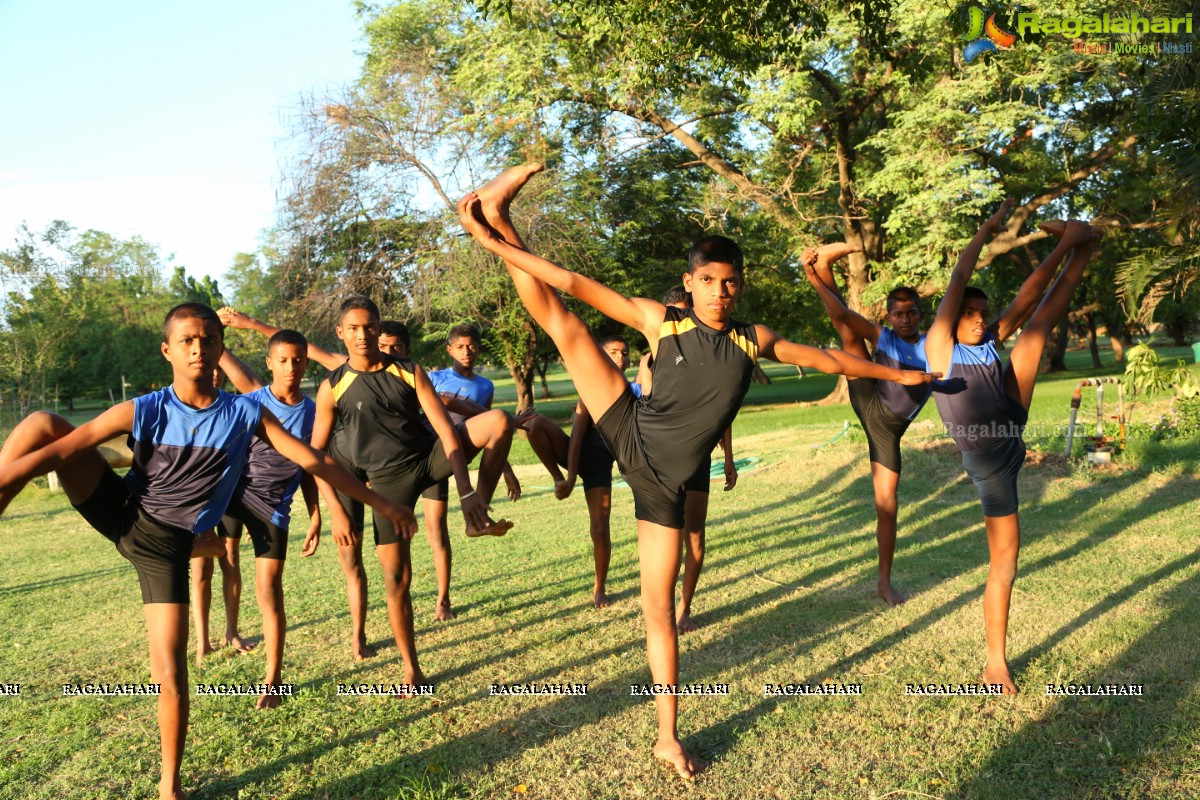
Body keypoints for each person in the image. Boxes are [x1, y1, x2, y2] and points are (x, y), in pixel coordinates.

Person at [457, 163, 936, 779]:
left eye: (729, 283)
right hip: (630, 424)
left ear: (740, 287)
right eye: (707, 280)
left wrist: (897, 374)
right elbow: (572, 282)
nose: (718, 292)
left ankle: (666, 736)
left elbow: (828, 358)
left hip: (666, 484)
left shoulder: (750, 339)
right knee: (565, 324)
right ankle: (498, 219)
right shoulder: (666, 321)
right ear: (690, 282)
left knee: (657, 612)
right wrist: (489, 243)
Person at [0, 302, 415, 800]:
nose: (198, 348)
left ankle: (169, 787)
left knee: (171, 672)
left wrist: (380, 504)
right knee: (41, 424)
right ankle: (207, 541)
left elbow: (314, 459)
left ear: (220, 349)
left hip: (165, 550)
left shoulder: (244, 412)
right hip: (122, 509)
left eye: (208, 340)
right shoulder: (144, 408)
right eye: (187, 341)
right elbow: (52, 455)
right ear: (167, 350)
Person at [218, 310, 518, 623]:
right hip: (368, 471)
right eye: (377, 342)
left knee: (435, 530)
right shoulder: (344, 374)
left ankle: (447, 588)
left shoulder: (408, 373)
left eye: (393, 347)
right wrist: (252, 325)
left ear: (403, 350)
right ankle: (361, 632)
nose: (382, 350)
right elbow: (301, 350)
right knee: (373, 561)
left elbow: (453, 407)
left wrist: (474, 481)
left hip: (424, 457)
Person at [925, 203, 1100, 694]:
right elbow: (960, 275)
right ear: (952, 318)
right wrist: (986, 229)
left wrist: (1063, 249)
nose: (979, 321)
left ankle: (1082, 248)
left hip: (1010, 423)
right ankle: (995, 662)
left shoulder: (988, 338)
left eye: (983, 313)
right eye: (969, 314)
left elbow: (1030, 296)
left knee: (1037, 326)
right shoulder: (941, 347)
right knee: (1005, 561)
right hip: (991, 461)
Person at [307, 296, 514, 678]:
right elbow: (315, 456)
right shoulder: (332, 387)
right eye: (353, 328)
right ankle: (411, 669)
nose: (362, 335)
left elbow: (445, 431)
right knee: (397, 579)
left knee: (499, 420)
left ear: (379, 327)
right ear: (341, 333)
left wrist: (468, 493)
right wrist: (334, 512)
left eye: (369, 326)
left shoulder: (409, 370)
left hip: (425, 459)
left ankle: (477, 516)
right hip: (386, 482)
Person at [801, 246, 931, 606]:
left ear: (921, 315)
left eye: (911, 314)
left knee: (887, 505)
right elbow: (841, 312)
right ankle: (822, 268)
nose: (905, 319)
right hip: (871, 403)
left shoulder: (933, 346)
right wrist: (810, 276)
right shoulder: (885, 336)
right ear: (889, 317)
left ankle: (882, 581)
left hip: (890, 428)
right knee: (847, 330)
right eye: (898, 314)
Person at [198, 330, 321, 709]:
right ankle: (209, 639)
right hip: (233, 496)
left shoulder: (315, 411)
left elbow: (313, 467)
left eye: (298, 360)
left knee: (268, 590)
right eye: (282, 360)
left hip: (273, 507)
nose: (291, 367)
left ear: (306, 362)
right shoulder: (249, 402)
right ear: (269, 363)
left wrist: (316, 514)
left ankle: (274, 678)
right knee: (216, 561)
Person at [635, 287, 737, 632]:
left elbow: (721, 410)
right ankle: (660, 609)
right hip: (660, 463)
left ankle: (685, 608)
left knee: (695, 537)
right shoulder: (649, 359)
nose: (681, 322)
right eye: (674, 314)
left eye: (684, 312)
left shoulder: (707, 355)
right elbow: (645, 406)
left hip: (697, 460)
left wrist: (730, 458)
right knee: (669, 540)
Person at [522, 333, 640, 608]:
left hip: (600, 468)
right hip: (575, 455)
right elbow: (576, 436)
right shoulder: (589, 388)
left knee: (600, 529)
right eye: (613, 352)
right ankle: (556, 478)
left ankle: (599, 588)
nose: (620, 358)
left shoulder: (634, 391)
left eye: (624, 353)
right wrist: (569, 476)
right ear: (600, 355)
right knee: (535, 423)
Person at [420, 323, 522, 620]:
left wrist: (507, 469)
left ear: (478, 347)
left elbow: (490, 428)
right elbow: (434, 406)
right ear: (449, 349)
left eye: (472, 345)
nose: (467, 351)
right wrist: (451, 402)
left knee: (440, 533)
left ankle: (443, 600)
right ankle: (440, 600)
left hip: (459, 454)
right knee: (434, 530)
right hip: (430, 453)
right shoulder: (433, 378)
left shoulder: (485, 386)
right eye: (460, 346)